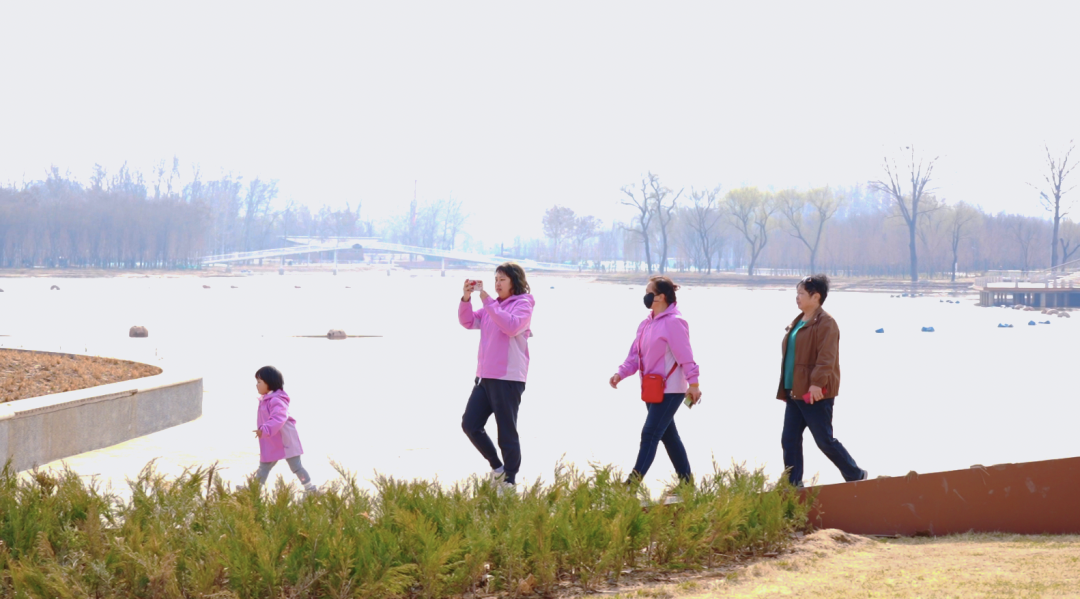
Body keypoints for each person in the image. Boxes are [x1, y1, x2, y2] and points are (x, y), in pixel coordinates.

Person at [776, 274, 866, 487]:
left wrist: (817, 383)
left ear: (816, 296)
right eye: (797, 293)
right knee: (789, 439)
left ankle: (855, 474)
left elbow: (827, 357)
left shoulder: (826, 323)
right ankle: (793, 484)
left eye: (801, 293)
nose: (797, 297)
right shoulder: (798, 321)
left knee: (824, 440)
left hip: (814, 393)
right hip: (795, 391)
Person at [610, 275, 702, 485]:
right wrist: (620, 373)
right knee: (669, 437)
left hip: (671, 390)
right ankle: (687, 484)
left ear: (660, 297)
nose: (645, 296)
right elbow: (635, 356)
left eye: (648, 293)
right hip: (651, 389)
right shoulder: (646, 324)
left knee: (650, 433)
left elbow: (686, 356)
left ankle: (631, 485)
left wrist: (694, 384)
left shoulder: (675, 323)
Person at [458, 263, 535, 488]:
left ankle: (510, 480)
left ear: (514, 282)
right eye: (496, 279)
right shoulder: (492, 307)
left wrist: (487, 301)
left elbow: (511, 327)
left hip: (508, 378)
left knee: (506, 432)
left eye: (502, 279)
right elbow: (467, 322)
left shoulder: (523, 304)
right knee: (470, 424)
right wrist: (466, 298)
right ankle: (498, 469)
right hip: (484, 377)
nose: (497, 284)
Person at [252, 365, 317, 493]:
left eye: (259, 382)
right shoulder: (266, 399)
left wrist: (265, 430)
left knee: (296, 466)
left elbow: (279, 417)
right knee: (264, 466)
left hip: (286, 440)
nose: (256, 385)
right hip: (272, 440)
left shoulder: (276, 400)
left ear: (269, 383)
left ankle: (310, 488)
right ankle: (253, 490)